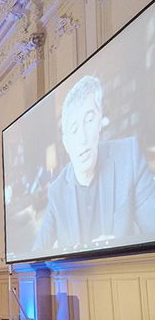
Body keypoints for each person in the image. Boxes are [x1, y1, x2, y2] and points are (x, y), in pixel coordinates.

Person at [33, 75, 155, 252]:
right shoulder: (57, 191)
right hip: (76, 278)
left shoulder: (129, 156)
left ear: (100, 122)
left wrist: (121, 246)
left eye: (89, 120)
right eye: (74, 130)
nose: (82, 138)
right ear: (66, 143)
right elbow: (35, 252)